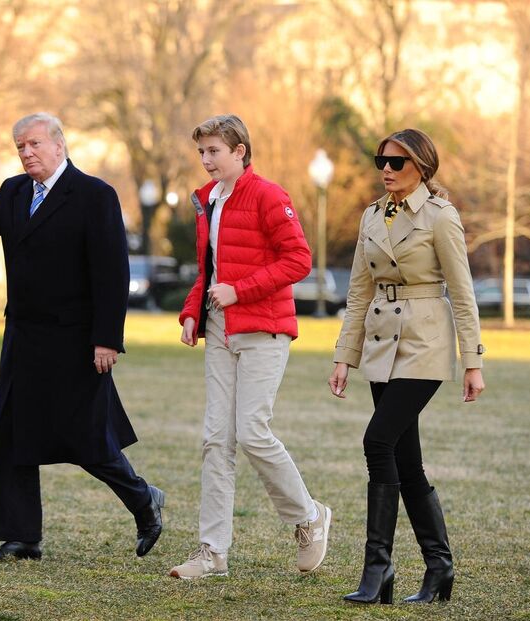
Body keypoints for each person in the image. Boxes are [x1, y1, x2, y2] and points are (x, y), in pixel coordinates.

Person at [0, 113, 164, 562]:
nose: (26, 153)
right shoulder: (14, 191)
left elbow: (113, 273)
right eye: (19, 147)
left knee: (86, 437)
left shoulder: (95, 195)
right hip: (24, 335)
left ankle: (144, 500)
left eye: (33, 144)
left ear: (59, 144)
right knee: (12, 435)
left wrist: (107, 338)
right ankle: (21, 539)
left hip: (77, 339)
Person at [169, 114, 331, 580]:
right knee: (216, 439)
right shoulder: (207, 201)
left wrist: (240, 291)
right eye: (201, 152)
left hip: (264, 328)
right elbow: (210, 270)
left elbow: (299, 259)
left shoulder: (268, 195)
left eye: (214, 151)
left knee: (252, 432)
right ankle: (212, 553)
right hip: (219, 329)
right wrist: (190, 311)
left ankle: (309, 517)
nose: (206, 160)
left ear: (240, 150)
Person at [328, 128, 485, 604]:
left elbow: (462, 293)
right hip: (380, 342)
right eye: (381, 161)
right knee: (405, 462)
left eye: (397, 162)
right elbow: (359, 292)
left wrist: (472, 362)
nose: (386, 170)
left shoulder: (441, 217)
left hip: (425, 342)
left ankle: (378, 570)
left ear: (422, 167)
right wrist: (344, 355)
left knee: (377, 441)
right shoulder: (372, 216)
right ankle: (439, 568)